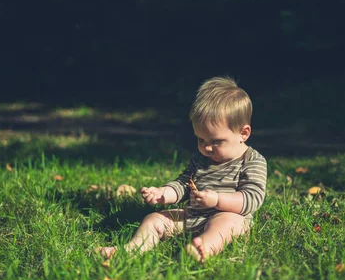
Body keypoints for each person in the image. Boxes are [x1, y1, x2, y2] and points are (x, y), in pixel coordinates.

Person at [95, 76, 267, 263]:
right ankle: (131, 249)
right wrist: (164, 194)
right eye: (201, 140)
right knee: (154, 219)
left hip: (229, 217)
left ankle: (203, 248)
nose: (206, 148)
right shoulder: (201, 158)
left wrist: (217, 200)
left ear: (243, 133)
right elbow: (184, 184)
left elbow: (252, 199)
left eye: (216, 141)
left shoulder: (252, 161)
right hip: (192, 215)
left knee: (224, 225)